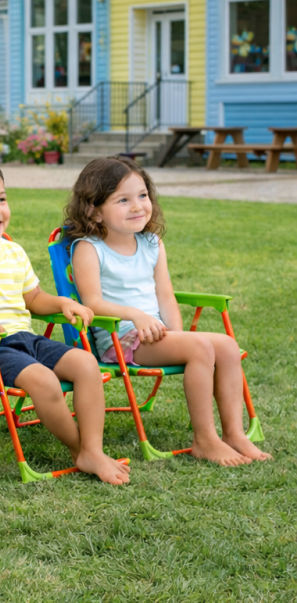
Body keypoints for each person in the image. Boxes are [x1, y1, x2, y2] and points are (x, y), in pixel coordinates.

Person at [0, 155, 130, 486]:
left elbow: (33, 299)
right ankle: (81, 450)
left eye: (1, 199)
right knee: (44, 381)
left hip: (22, 337)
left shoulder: (13, 252)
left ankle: (92, 448)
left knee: (85, 364)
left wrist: (61, 301)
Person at [67, 156, 271, 466]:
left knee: (227, 346)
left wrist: (177, 335)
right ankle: (205, 439)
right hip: (120, 339)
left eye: (142, 195)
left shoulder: (151, 243)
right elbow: (91, 302)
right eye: (123, 199)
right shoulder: (89, 248)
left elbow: (165, 295)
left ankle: (234, 433)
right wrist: (135, 315)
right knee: (201, 346)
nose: (138, 206)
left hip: (156, 334)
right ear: (95, 210)